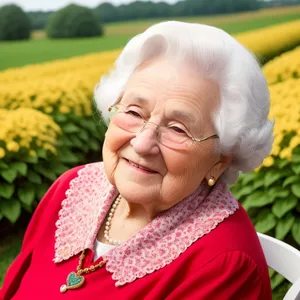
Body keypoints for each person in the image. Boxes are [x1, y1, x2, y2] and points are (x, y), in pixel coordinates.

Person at [1, 21, 273, 300]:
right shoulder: (70, 189)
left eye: (178, 129)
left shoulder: (227, 266)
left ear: (220, 161)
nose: (142, 143)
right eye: (133, 112)